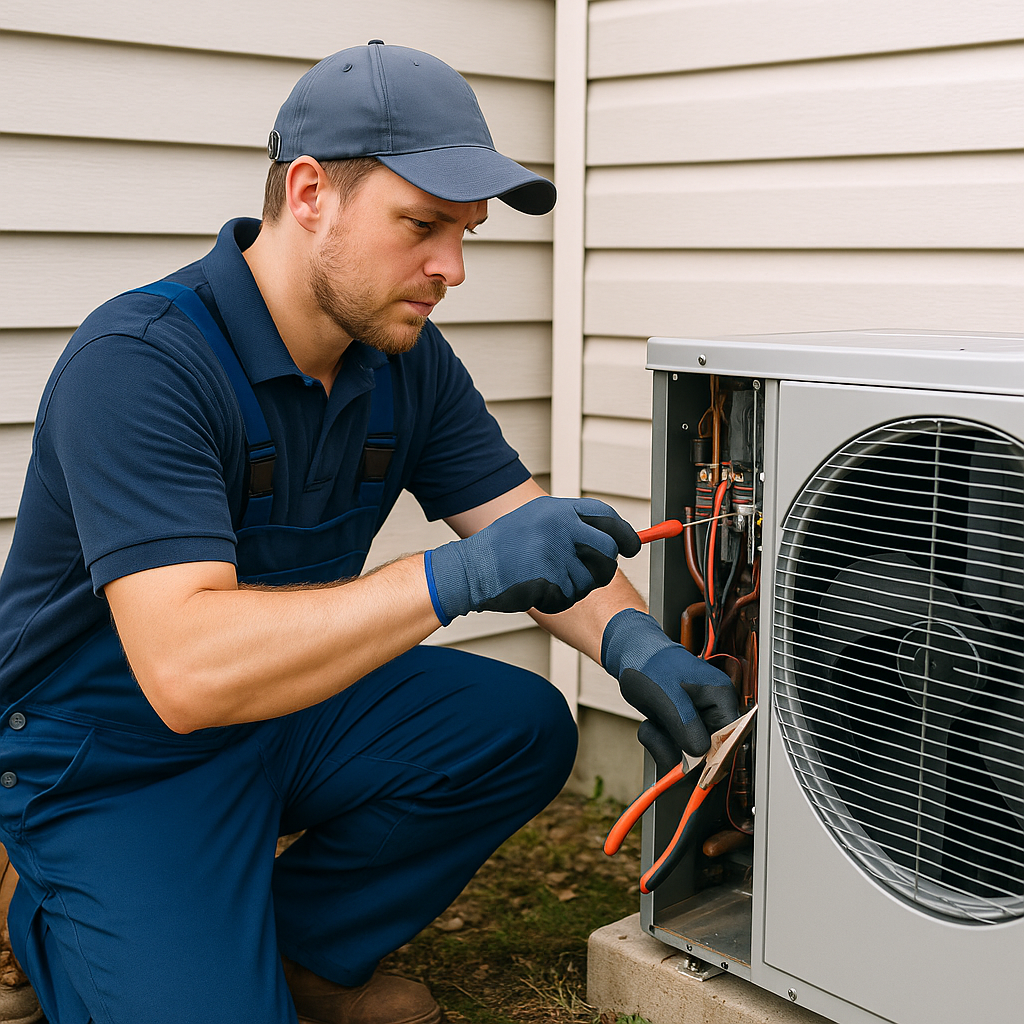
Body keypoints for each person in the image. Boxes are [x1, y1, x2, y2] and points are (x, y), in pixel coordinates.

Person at [0, 42, 738, 1024]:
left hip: (281, 710)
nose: (452, 268)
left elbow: (512, 520)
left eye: (465, 233)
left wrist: (634, 642)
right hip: (115, 748)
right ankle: (35, 900)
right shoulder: (141, 364)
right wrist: (450, 576)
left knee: (516, 729)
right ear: (309, 193)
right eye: (422, 226)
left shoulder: (401, 359)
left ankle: (303, 949)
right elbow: (184, 670)